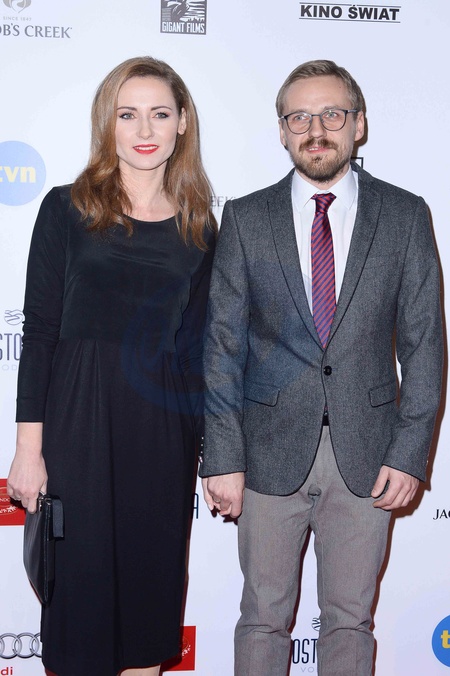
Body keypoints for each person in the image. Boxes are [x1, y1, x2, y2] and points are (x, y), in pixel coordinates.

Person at [200, 59, 443, 675]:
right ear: (282, 131)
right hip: (265, 453)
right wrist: (222, 456)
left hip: (370, 455)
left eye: (332, 114)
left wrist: (409, 453)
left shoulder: (405, 215)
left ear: (359, 124)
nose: (316, 130)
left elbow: (424, 346)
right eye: (300, 117)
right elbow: (222, 346)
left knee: (350, 621)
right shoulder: (247, 218)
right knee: (262, 617)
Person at [7, 56, 217, 676]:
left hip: (162, 435)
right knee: (80, 610)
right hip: (77, 426)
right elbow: (40, 333)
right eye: (128, 114)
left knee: (149, 607)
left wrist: (215, 454)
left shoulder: (200, 226)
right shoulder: (65, 209)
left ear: (182, 122)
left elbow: (198, 351)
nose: (144, 129)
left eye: (160, 113)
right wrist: (27, 450)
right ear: (108, 122)